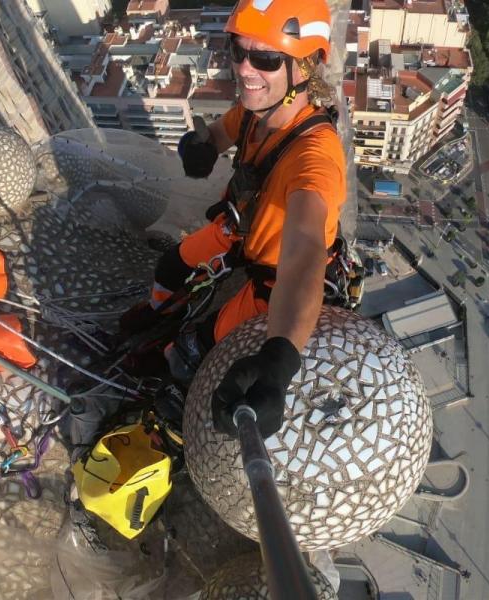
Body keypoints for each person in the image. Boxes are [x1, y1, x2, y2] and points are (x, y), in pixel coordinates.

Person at [118, 0, 345, 440]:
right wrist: (201, 146)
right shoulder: (254, 113)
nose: (244, 68)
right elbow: (221, 133)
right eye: (238, 51)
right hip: (241, 230)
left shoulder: (316, 157)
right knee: (170, 267)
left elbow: (302, 257)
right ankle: (157, 309)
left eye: (265, 58)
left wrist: (280, 357)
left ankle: (171, 398)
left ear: (307, 68)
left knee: (190, 353)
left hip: (273, 276)